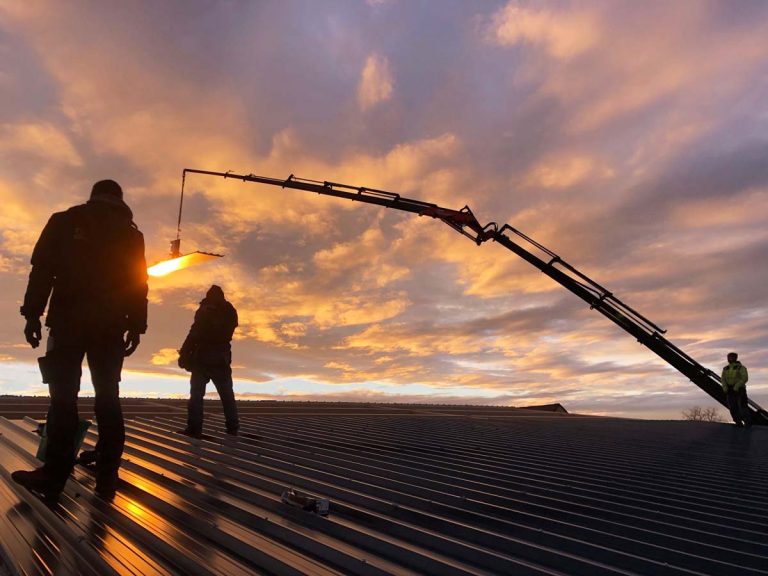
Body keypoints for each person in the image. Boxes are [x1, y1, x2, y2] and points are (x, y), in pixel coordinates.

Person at [13, 179, 148, 500]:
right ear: (119, 199)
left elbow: (42, 270)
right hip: (111, 328)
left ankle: (54, 476)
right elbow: (139, 282)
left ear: (93, 196)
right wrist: (136, 326)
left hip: (68, 322)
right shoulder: (132, 235)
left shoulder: (64, 221)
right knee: (107, 398)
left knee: (63, 399)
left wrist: (32, 314)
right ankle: (107, 478)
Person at [178, 285, 239, 437]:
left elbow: (194, 332)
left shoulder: (205, 310)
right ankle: (233, 428)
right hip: (221, 358)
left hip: (203, 359)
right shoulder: (230, 311)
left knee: (197, 395)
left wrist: (185, 352)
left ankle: (194, 429)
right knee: (227, 396)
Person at [721, 352, 751, 428]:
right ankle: (738, 422)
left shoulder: (741, 368)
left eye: (732, 357)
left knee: (742, 406)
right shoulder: (725, 368)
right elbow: (723, 379)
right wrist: (725, 388)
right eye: (729, 357)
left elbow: (744, 378)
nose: (730, 359)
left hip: (740, 390)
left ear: (735, 358)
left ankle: (747, 423)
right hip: (729, 390)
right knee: (732, 407)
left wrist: (736, 387)